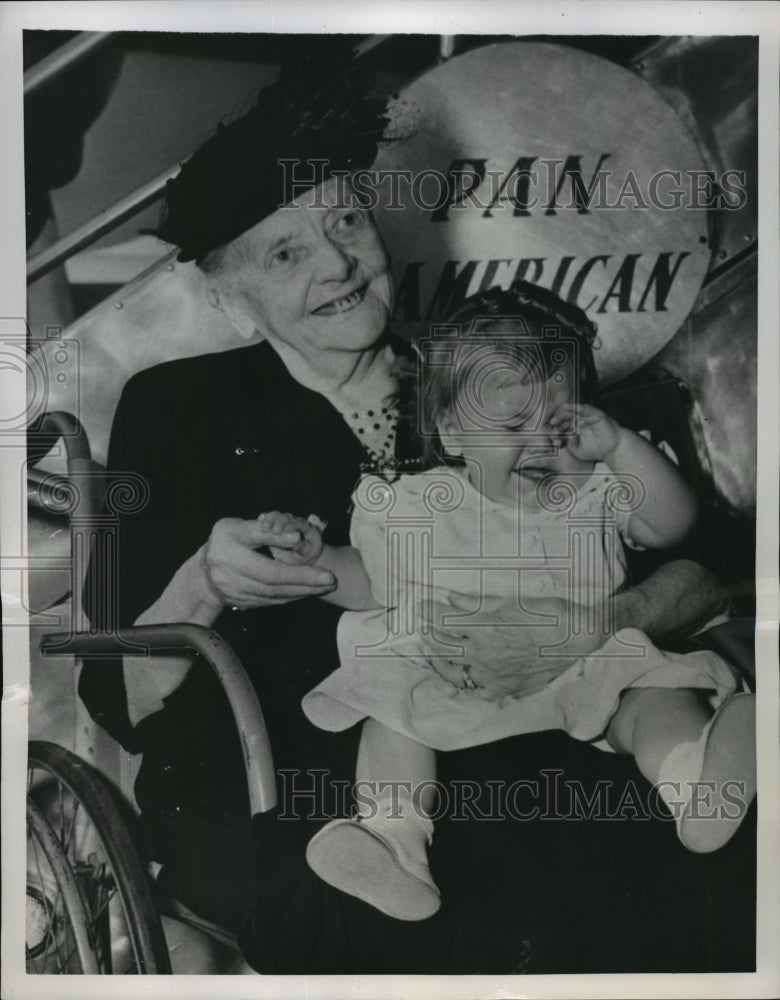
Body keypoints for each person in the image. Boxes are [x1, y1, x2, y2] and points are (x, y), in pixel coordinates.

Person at [79, 53, 751, 973]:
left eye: (346, 220)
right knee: (463, 896)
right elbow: (111, 692)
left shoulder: (481, 372)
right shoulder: (179, 408)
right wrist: (201, 582)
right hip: (300, 768)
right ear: (229, 295)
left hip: (550, 724)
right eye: (287, 251)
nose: (341, 262)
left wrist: (600, 620)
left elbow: (702, 569)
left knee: (707, 862)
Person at [260, 282, 755, 921]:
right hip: (455, 675)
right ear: (453, 432)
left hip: (591, 663)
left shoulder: (595, 489)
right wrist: (317, 559)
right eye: (513, 425)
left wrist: (620, 448)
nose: (543, 443)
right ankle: (394, 838)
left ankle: (695, 781)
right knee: (392, 709)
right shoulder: (421, 502)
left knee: (652, 692)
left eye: (563, 420)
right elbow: (376, 582)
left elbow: (675, 524)